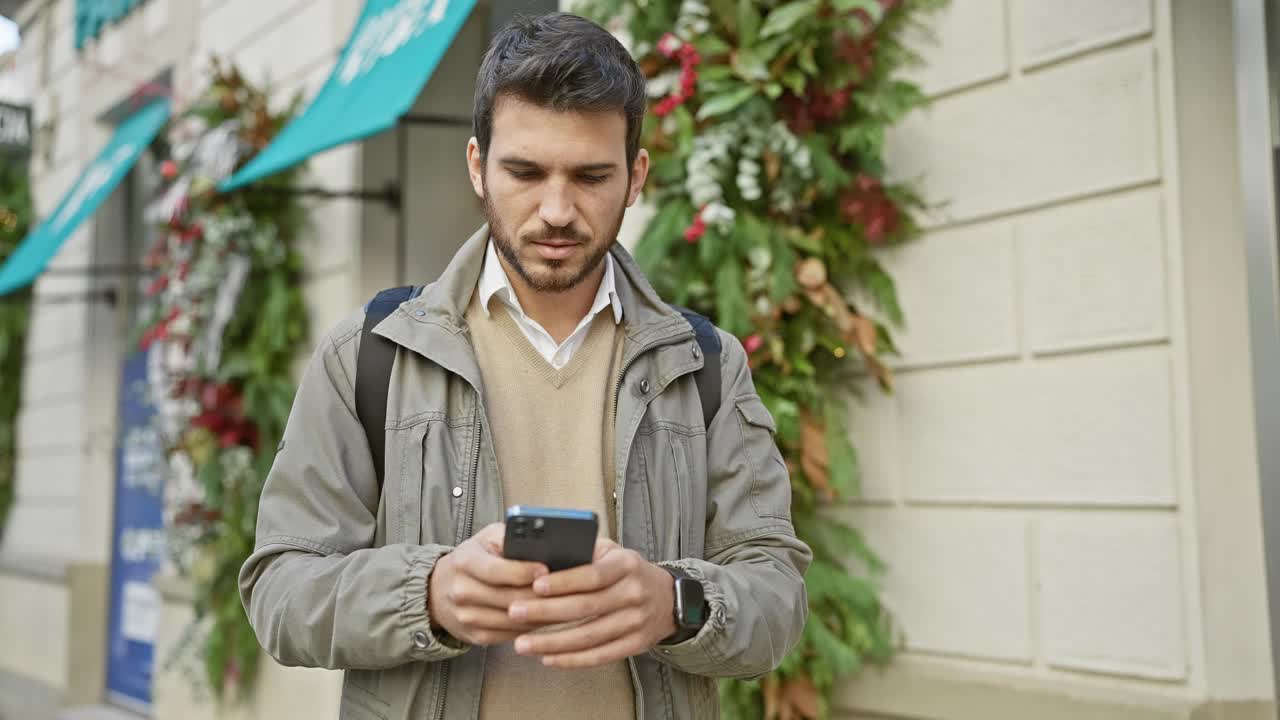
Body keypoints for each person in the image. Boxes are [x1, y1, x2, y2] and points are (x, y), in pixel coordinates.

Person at [238, 11, 810, 720]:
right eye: (525, 172)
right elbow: (279, 591)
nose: (557, 210)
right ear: (478, 166)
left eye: (591, 176)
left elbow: (778, 594)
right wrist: (429, 593)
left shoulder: (707, 366)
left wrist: (676, 603)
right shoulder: (368, 354)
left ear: (635, 177)